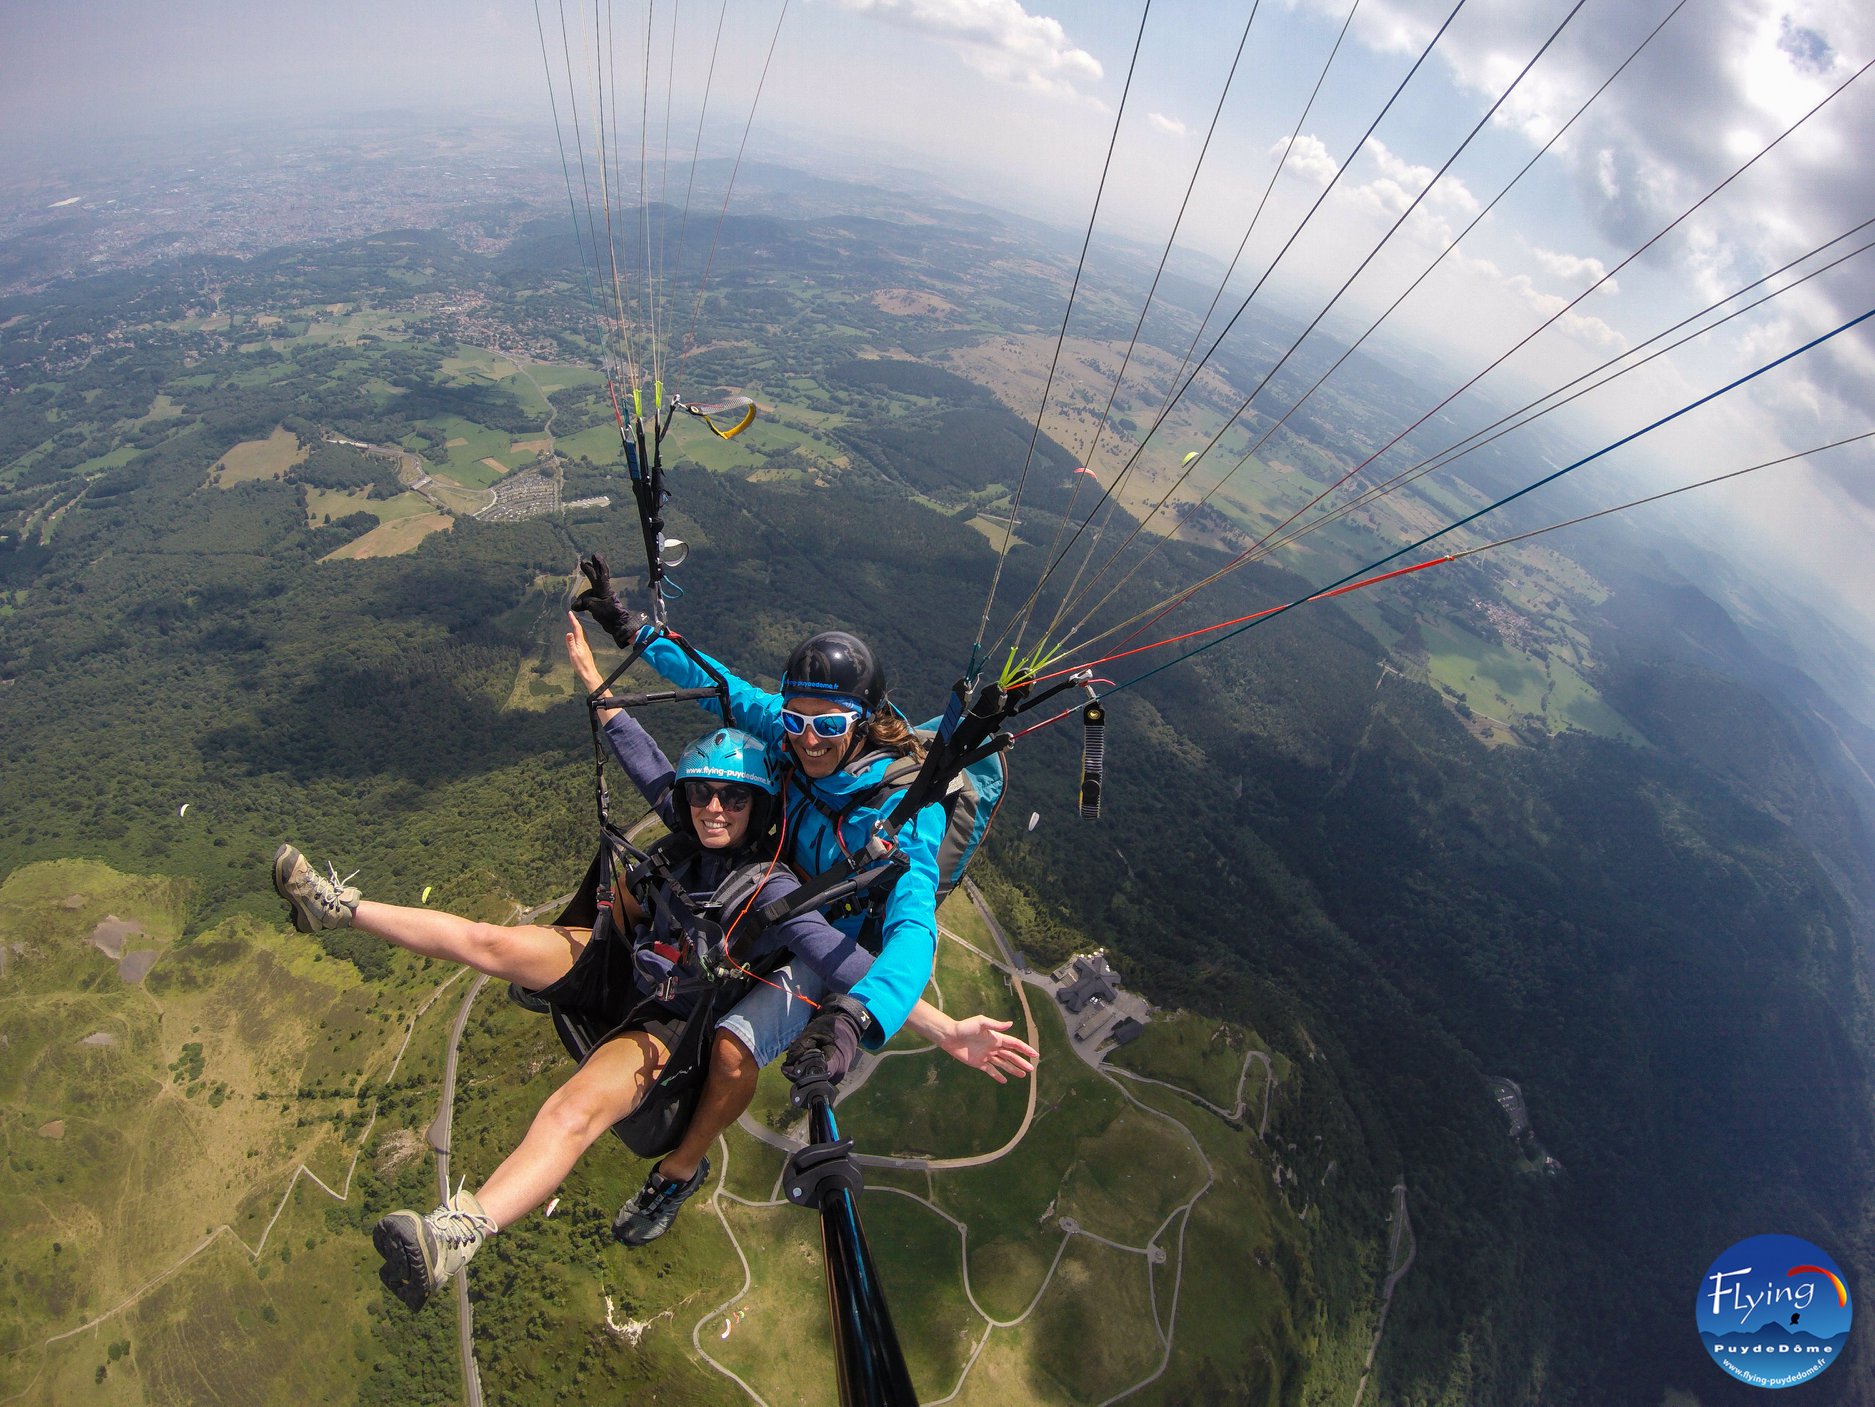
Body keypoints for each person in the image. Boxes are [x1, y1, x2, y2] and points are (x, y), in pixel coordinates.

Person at [272, 614, 1035, 1310]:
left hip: (674, 1012)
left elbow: (843, 949)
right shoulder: (697, 810)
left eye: (731, 802)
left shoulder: (778, 878)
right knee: (495, 943)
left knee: (582, 1105)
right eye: (704, 794)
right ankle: (335, 905)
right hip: (628, 962)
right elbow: (679, 721)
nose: (713, 809)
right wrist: (609, 652)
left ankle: (455, 1234)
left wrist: (921, 1024)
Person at [574, 558, 973, 1188]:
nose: (807, 740)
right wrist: (629, 630)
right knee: (648, 876)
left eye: (827, 726)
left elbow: (912, 926)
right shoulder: (792, 731)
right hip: (774, 885)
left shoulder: (904, 812)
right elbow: (719, 687)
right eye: (795, 721)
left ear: (862, 721)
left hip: (838, 935)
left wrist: (855, 1020)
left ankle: (678, 1172)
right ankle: (584, 980)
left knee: (734, 1049)